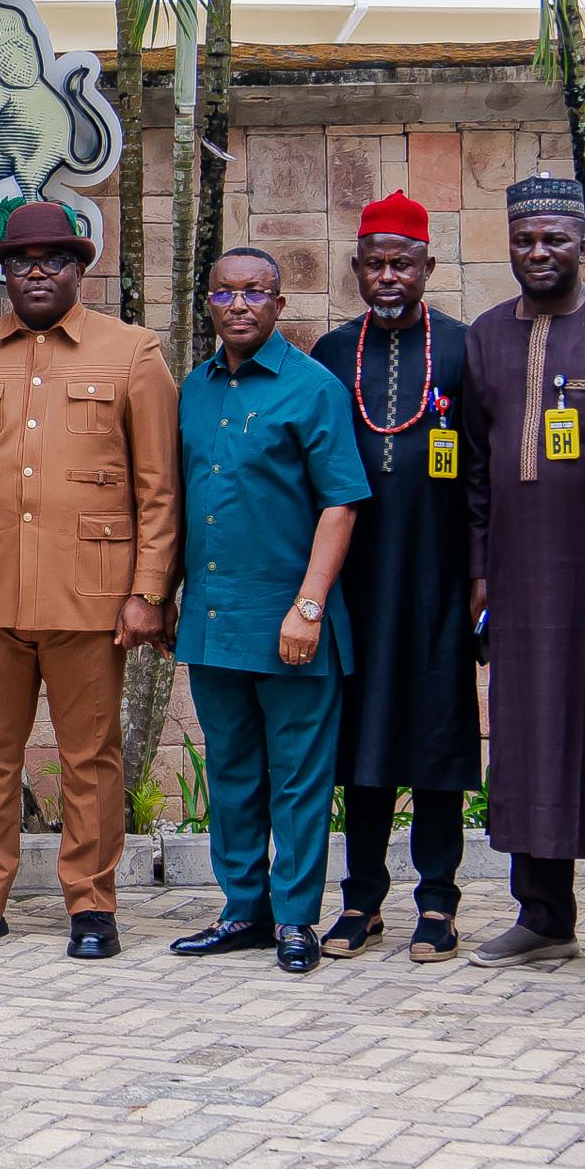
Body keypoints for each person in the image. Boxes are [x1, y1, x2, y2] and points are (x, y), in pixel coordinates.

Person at [0, 198, 180, 960]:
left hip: (91, 597)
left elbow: (159, 488)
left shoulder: (132, 353)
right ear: (3, 272)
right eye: (22, 262)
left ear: (78, 269)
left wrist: (149, 591)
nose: (37, 273)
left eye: (54, 261)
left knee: (90, 756)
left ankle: (92, 904)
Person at [456, 174, 585, 972]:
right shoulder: (485, 336)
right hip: (519, 575)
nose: (538, 251)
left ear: (582, 243)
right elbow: (475, 466)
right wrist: (480, 567)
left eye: (554, 239)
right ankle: (543, 914)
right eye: (524, 239)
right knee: (528, 735)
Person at [171, 249, 370, 974]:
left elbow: (341, 504)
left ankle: (294, 919)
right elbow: (179, 501)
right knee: (231, 773)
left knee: (297, 778)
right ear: (208, 302)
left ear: (279, 304)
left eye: (255, 291)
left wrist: (309, 606)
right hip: (213, 620)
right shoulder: (194, 388)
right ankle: (243, 910)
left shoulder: (312, 388)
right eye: (225, 291)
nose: (239, 304)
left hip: (291, 622)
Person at [307, 192, 479, 961]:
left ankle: (438, 901)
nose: (387, 276)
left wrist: (482, 573)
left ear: (427, 266)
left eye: (401, 263)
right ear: (356, 267)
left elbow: (483, 472)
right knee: (364, 744)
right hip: (359, 582)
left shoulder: (466, 348)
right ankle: (362, 900)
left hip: (440, 576)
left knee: (438, 739)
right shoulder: (332, 352)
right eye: (374, 263)